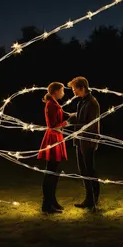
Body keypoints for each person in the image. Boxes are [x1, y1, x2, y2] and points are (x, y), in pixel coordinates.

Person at [38, 82, 75, 214]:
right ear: (56, 92)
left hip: (57, 138)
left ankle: (52, 201)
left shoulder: (55, 104)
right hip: (53, 139)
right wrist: (67, 123)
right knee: (51, 172)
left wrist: (72, 115)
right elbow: (53, 125)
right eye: (62, 90)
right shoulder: (51, 105)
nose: (63, 93)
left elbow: (63, 114)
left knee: (54, 171)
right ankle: (47, 205)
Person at [67, 76, 100, 210]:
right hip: (80, 140)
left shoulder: (92, 103)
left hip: (88, 141)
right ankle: (89, 199)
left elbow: (89, 124)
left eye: (75, 89)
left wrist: (70, 122)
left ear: (82, 88)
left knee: (89, 170)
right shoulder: (82, 102)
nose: (73, 92)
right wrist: (67, 116)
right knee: (83, 170)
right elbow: (79, 116)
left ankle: (93, 199)